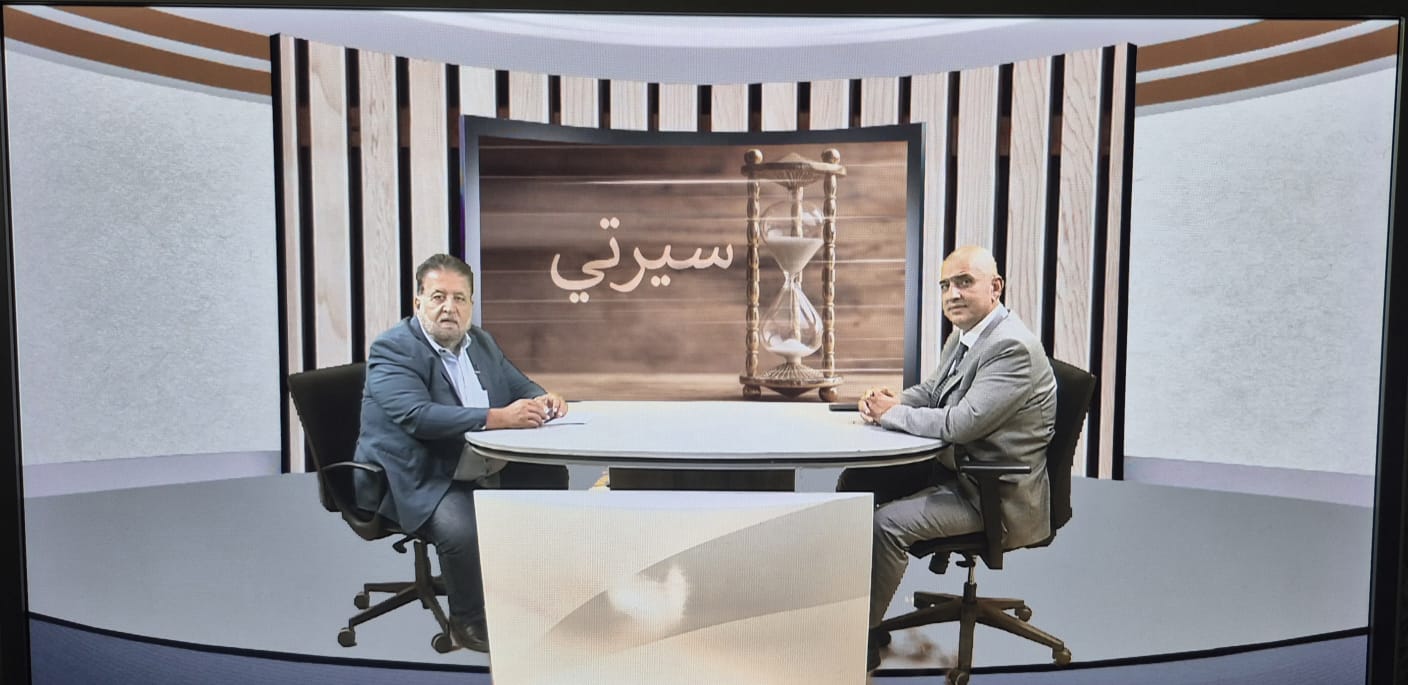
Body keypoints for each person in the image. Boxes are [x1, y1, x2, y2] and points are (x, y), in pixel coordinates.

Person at [843, 245, 1056, 672]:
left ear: (995, 287)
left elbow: (960, 424)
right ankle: (851, 605)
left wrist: (891, 416)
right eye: (945, 285)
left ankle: (859, 634)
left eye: (964, 282)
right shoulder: (966, 333)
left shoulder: (1010, 348)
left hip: (993, 493)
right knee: (856, 482)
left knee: (886, 525)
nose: (952, 294)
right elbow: (933, 393)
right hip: (959, 469)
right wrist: (889, 401)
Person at [353, 253, 569, 653]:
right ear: (418, 302)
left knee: (548, 476)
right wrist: (497, 418)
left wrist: (544, 398)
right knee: (463, 528)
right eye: (438, 297)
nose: (449, 308)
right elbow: (418, 417)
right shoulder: (393, 349)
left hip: (471, 461)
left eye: (459, 298)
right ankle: (467, 622)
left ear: (470, 303)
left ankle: (525, 594)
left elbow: (519, 387)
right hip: (416, 473)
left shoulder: (480, 342)